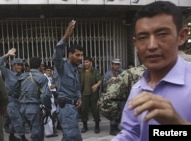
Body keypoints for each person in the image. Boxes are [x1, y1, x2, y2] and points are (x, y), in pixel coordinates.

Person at [111, 1, 191, 141]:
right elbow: (133, 133)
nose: (152, 46)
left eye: (162, 34)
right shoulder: (138, 89)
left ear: (182, 36)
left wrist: (178, 125)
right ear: (135, 44)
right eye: (143, 37)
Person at [52, 20, 83, 141]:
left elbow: (76, 86)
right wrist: (65, 37)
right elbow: (57, 55)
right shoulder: (62, 66)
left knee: (69, 137)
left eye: (81, 55)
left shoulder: (74, 69)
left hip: (72, 108)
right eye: (77, 55)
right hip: (66, 108)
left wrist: (79, 96)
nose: (80, 58)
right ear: (70, 54)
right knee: (73, 137)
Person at [0, 48, 28, 141]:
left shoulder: (24, 75)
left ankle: (11, 136)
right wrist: (7, 55)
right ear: (13, 66)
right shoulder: (8, 73)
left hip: (21, 100)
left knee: (20, 120)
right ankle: (23, 137)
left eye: (21, 65)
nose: (20, 67)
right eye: (18, 65)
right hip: (11, 100)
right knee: (16, 119)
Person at [18, 57, 52, 141]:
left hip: (22, 108)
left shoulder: (22, 76)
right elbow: (45, 96)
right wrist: (48, 109)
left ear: (29, 65)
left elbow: (15, 91)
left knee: (32, 130)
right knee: (37, 133)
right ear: (40, 66)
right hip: (34, 108)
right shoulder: (41, 77)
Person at [79, 56, 102, 134]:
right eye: (84, 62)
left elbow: (100, 80)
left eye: (87, 62)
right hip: (84, 95)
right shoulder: (82, 72)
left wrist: (96, 85)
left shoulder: (95, 71)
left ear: (91, 63)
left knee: (95, 110)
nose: (85, 64)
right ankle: (85, 126)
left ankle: (97, 126)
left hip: (93, 95)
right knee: (84, 111)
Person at [103, 58, 124, 135]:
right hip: (112, 97)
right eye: (115, 64)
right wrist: (109, 81)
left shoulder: (122, 72)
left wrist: (118, 78)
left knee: (120, 112)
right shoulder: (108, 74)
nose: (117, 66)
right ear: (112, 65)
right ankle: (112, 129)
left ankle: (116, 127)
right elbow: (104, 85)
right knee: (113, 113)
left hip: (121, 96)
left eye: (118, 64)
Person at [43, 65, 58, 137]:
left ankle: (52, 130)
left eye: (50, 71)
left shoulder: (50, 78)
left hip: (51, 97)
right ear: (45, 71)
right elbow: (50, 86)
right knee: (48, 115)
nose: (49, 72)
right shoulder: (44, 77)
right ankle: (49, 132)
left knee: (51, 114)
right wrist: (56, 85)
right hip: (47, 98)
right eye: (48, 70)